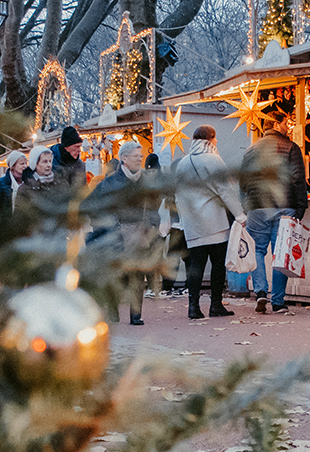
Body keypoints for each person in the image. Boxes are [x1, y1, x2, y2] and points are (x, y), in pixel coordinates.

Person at [239, 105, 308, 314]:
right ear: (276, 124)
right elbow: (297, 179)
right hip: (283, 206)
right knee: (281, 254)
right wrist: (301, 206)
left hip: (257, 207)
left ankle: (260, 292)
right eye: (286, 123)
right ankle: (278, 301)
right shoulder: (291, 147)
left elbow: (243, 180)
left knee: (258, 250)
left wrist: (246, 204)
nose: (289, 127)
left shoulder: (252, 149)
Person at [174, 125, 245, 319]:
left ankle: (193, 307)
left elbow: (178, 195)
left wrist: (183, 219)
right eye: (215, 139)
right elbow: (227, 192)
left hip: (192, 223)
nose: (216, 142)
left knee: (196, 266)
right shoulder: (214, 160)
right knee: (217, 264)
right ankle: (215, 305)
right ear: (211, 139)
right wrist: (239, 215)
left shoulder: (183, 163)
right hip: (215, 222)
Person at [90, 141, 160, 325]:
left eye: (141, 156)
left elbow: (154, 204)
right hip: (117, 235)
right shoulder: (110, 182)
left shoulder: (146, 180)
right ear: (124, 158)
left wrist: (153, 224)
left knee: (138, 275)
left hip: (140, 233)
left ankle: (136, 315)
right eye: (136, 156)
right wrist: (108, 226)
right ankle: (113, 312)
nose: (140, 159)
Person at [0, 150, 31, 242]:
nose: (25, 166)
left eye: (26, 163)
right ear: (13, 166)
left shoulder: (30, 182)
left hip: (26, 230)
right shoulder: (2, 183)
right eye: (21, 164)